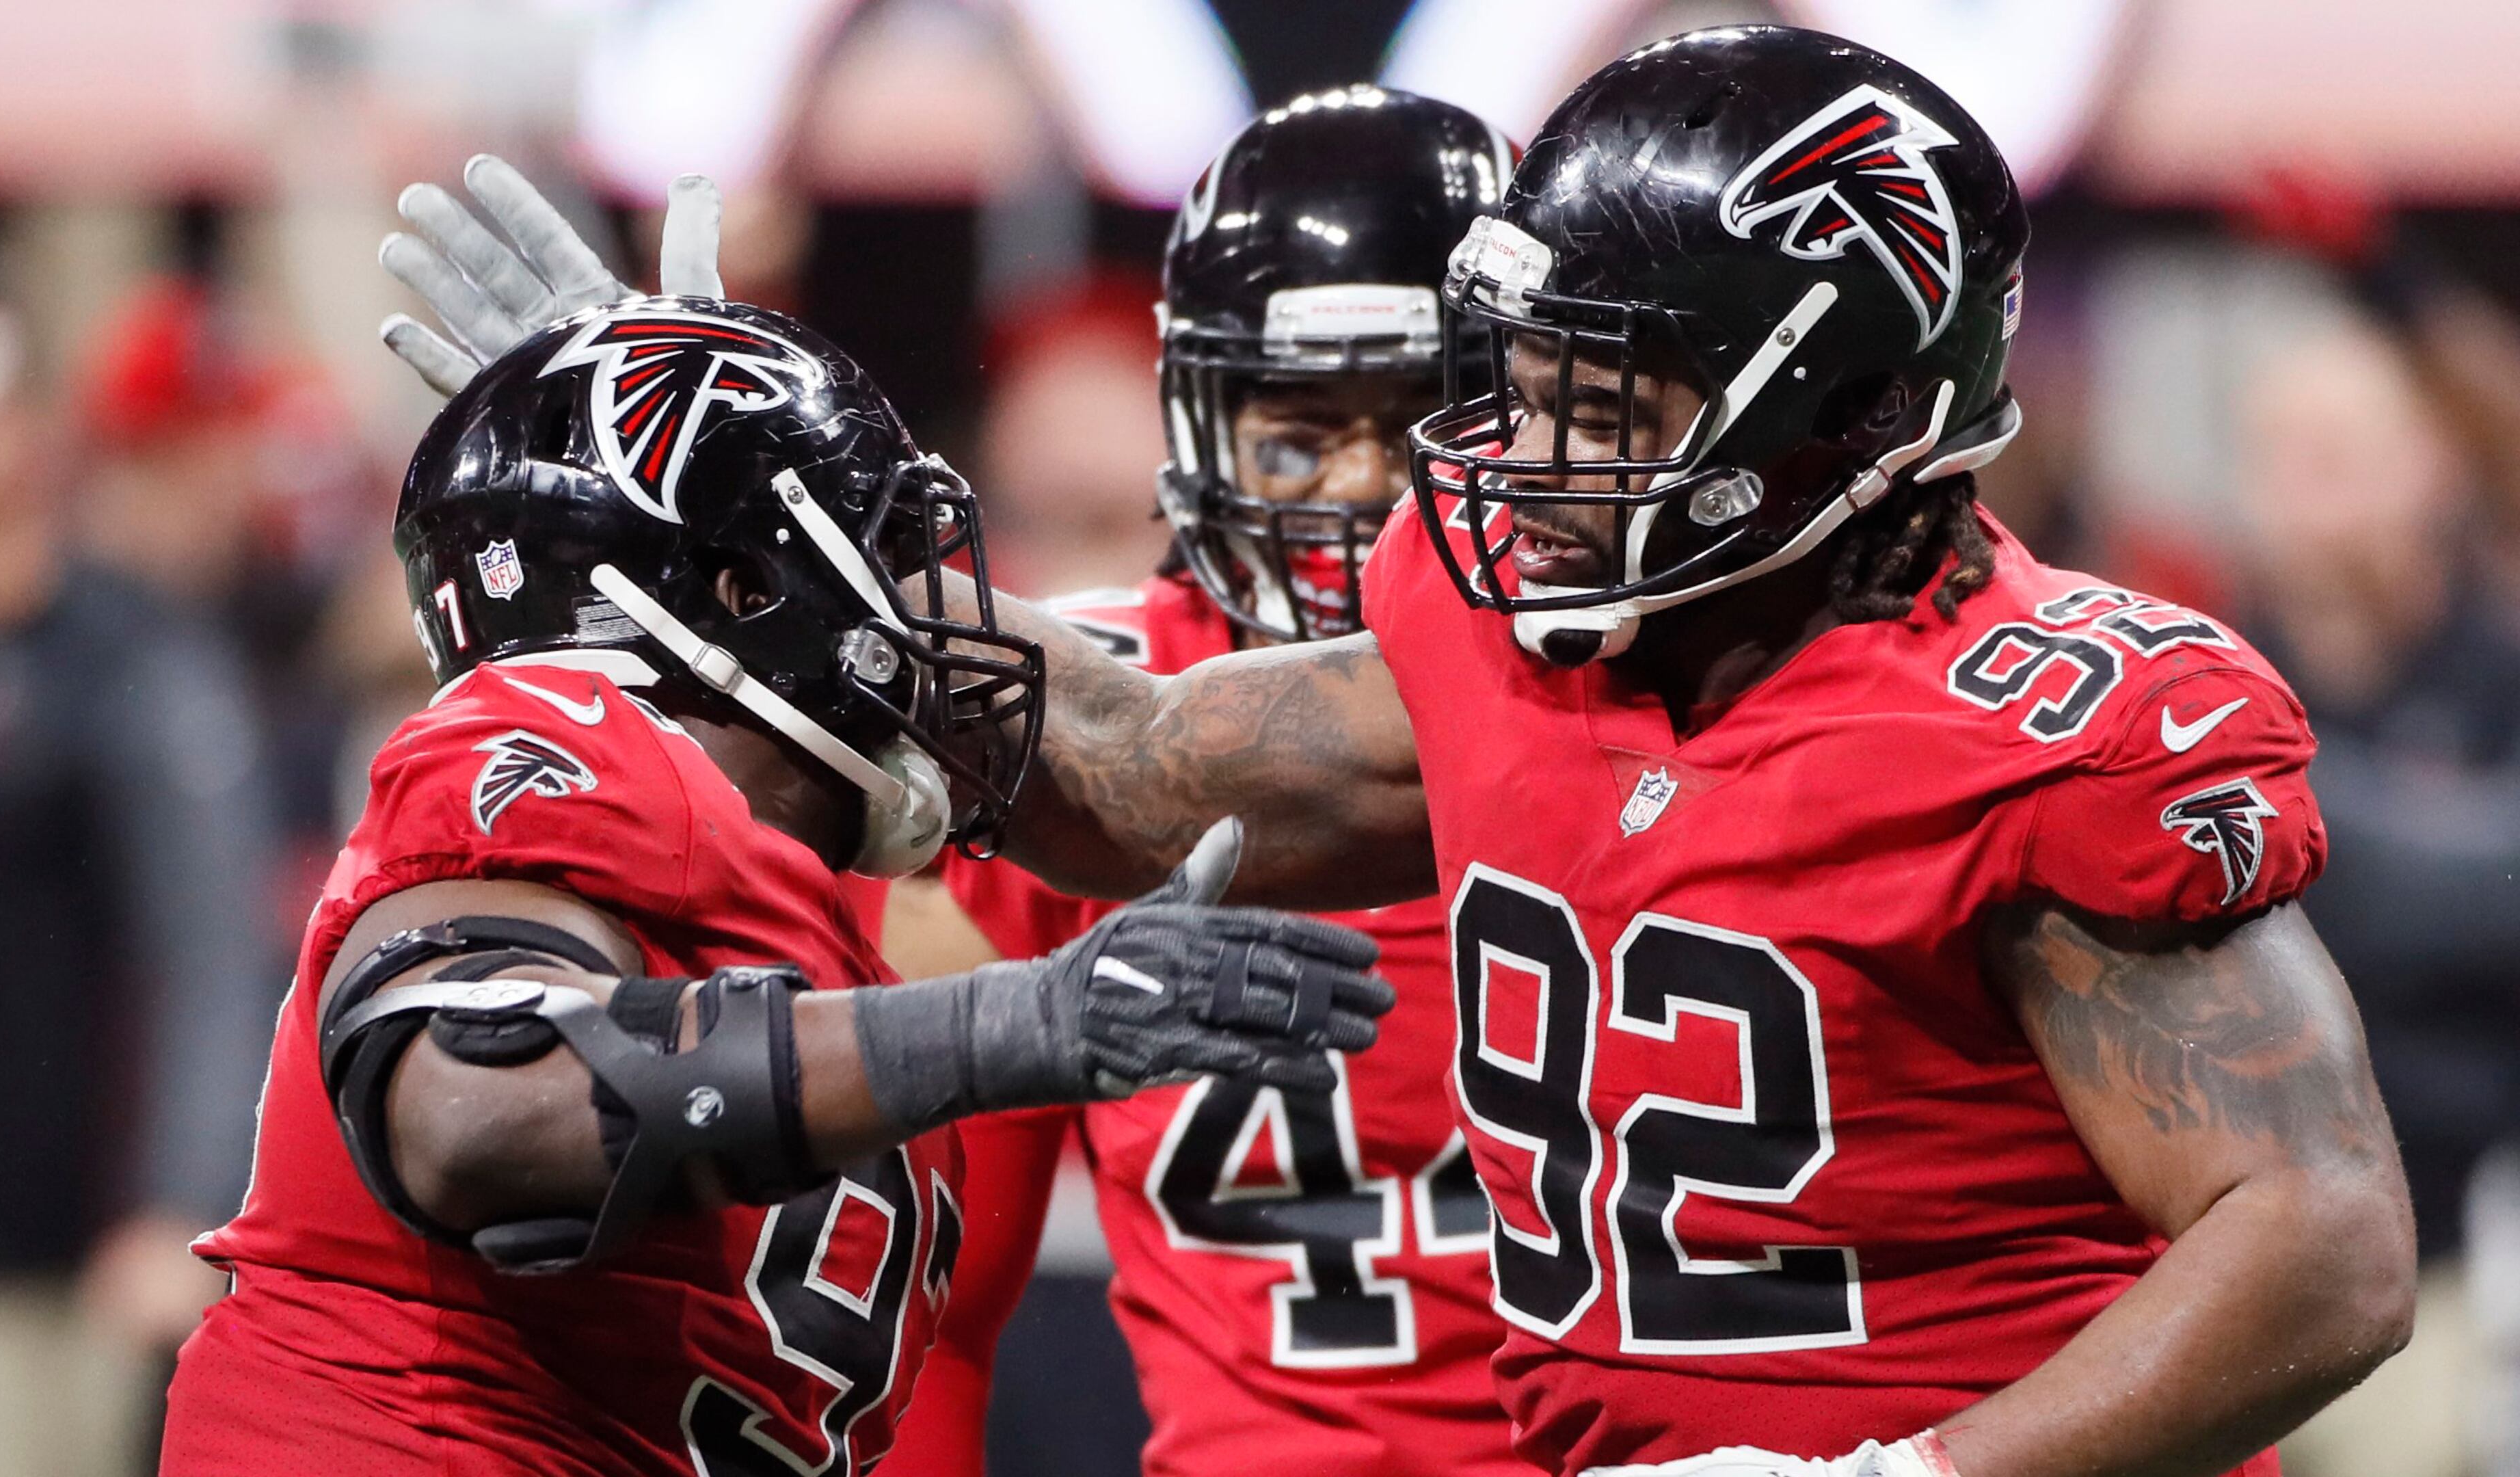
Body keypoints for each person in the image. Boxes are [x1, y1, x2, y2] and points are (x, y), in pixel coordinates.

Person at [384, 32, 2418, 1474]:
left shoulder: (2049, 733)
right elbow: (1145, 769)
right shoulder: (1511, 633)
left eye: (1605, 406)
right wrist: (711, 504)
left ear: (1855, 417)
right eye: (1522, 386)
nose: (1514, 461)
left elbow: (2320, 1244)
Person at [161, 274, 1391, 1473]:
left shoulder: (785, 919)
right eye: (883, 556)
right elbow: (474, 1111)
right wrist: (1014, 1022)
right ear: (748, 591)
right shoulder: (570, 732)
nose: (933, 621)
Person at [877, 87, 1532, 1477]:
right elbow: (923, 1313)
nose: (1361, 496)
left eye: (1421, 426)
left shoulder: (1670, 701)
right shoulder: (1042, 736)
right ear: (1196, 427)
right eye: (1298, 437)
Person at [0, 287, 276, 1477]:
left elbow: (215, 945)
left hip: (88, 1259)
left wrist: (180, 1200)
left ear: (19, 439)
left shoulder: (126, 658)